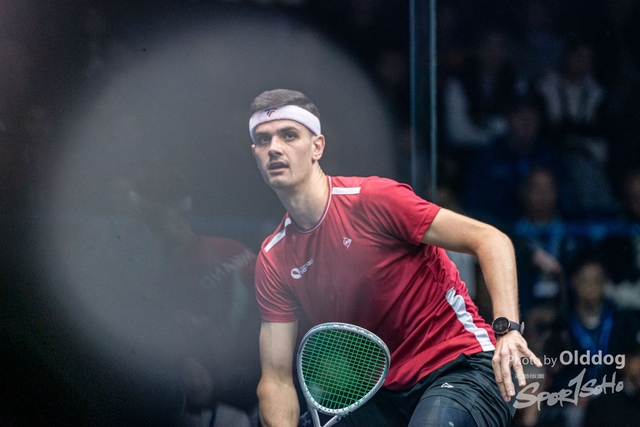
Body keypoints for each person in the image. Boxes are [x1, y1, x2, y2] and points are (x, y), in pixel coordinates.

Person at [247, 89, 541, 427]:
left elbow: (490, 240)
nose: (274, 148)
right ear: (255, 154)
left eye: (288, 135)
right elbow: (276, 380)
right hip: (379, 396)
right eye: (263, 139)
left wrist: (508, 331)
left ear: (317, 147)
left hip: (461, 367)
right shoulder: (274, 259)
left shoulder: (373, 200)